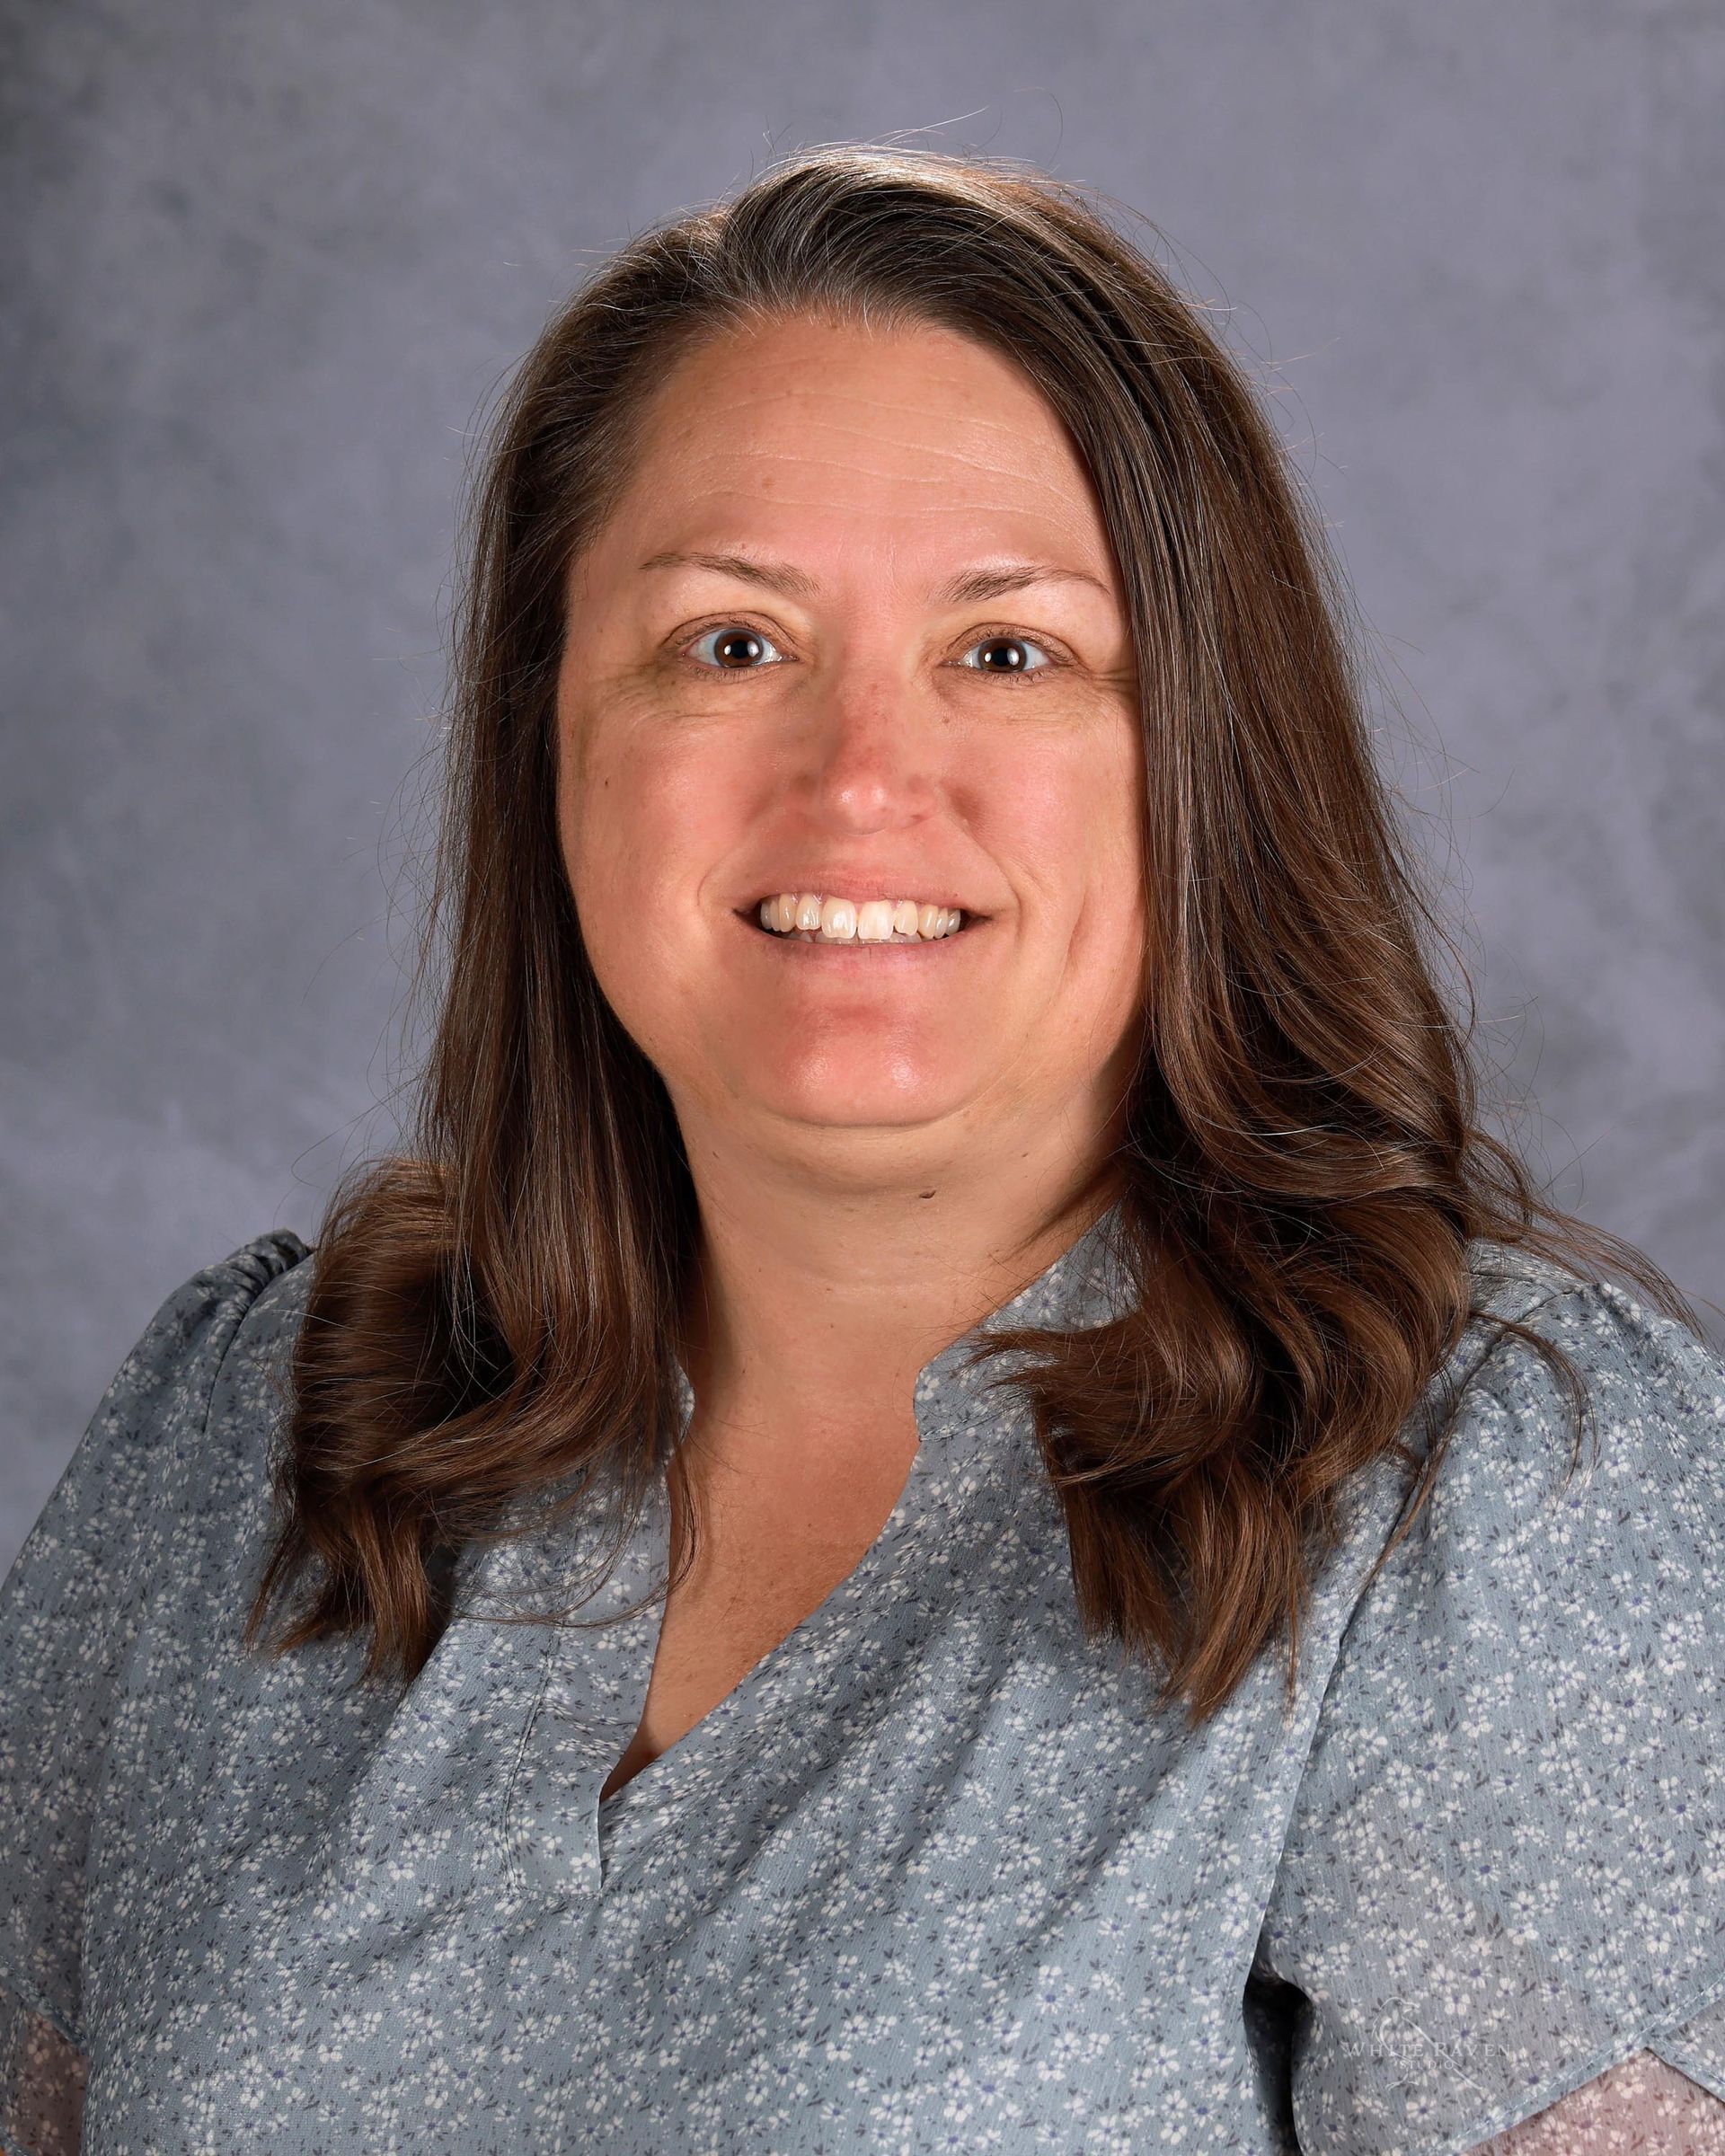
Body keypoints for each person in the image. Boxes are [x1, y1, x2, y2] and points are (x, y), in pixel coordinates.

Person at [2, 145, 1721, 2156]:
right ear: (548, 735)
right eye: (733, 644)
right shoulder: (245, 1443)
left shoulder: (1488, 1499)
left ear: (1206, 761)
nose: (862, 779)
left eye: (1011, 654)